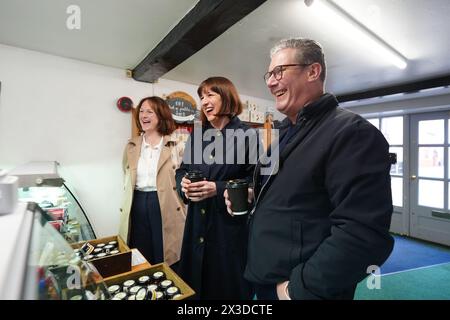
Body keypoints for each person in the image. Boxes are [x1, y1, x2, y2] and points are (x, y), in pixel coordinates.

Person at [225, 38, 394, 300]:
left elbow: (363, 233)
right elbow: (295, 194)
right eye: (269, 74)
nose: (270, 82)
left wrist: (299, 290)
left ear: (313, 71)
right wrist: (253, 195)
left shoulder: (351, 133)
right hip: (266, 276)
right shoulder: (286, 132)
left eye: (279, 71)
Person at [176, 76, 255, 299]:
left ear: (227, 96)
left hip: (228, 228)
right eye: (202, 97)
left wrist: (217, 189)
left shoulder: (247, 135)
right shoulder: (197, 135)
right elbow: (182, 170)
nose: (204, 101)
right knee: (196, 287)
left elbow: (257, 182)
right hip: (196, 225)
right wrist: (183, 185)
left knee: (227, 288)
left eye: (211, 94)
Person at [119, 96, 186, 267]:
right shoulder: (131, 146)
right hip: (137, 203)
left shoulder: (176, 145)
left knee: (166, 254)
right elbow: (125, 173)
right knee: (140, 255)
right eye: (141, 111)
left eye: (150, 111)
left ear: (161, 115)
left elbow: (182, 177)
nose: (144, 115)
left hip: (166, 203)